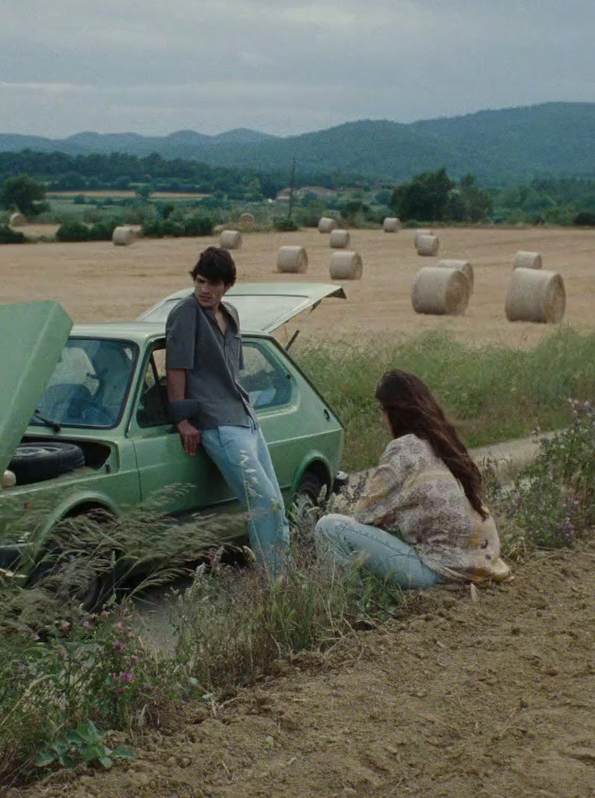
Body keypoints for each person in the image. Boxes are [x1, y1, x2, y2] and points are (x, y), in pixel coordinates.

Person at [314, 370, 512, 589]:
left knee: (329, 527)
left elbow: (363, 514)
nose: (382, 420)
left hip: (439, 571)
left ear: (393, 412)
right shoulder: (443, 443)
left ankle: (352, 608)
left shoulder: (403, 449)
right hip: (481, 566)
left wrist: (390, 517)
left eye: (382, 411)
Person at [165, 247, 290, 578]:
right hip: (218, 425)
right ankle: (274, 584)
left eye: (213, 284)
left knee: (276, 504)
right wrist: (182, 419)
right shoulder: (185, 313)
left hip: (246, 418)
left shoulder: (230, 313)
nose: (205, 290)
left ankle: (285, 580)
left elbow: (232, 372)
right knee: (263, 505)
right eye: (201, 281)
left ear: (227, 286)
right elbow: (176, 368)